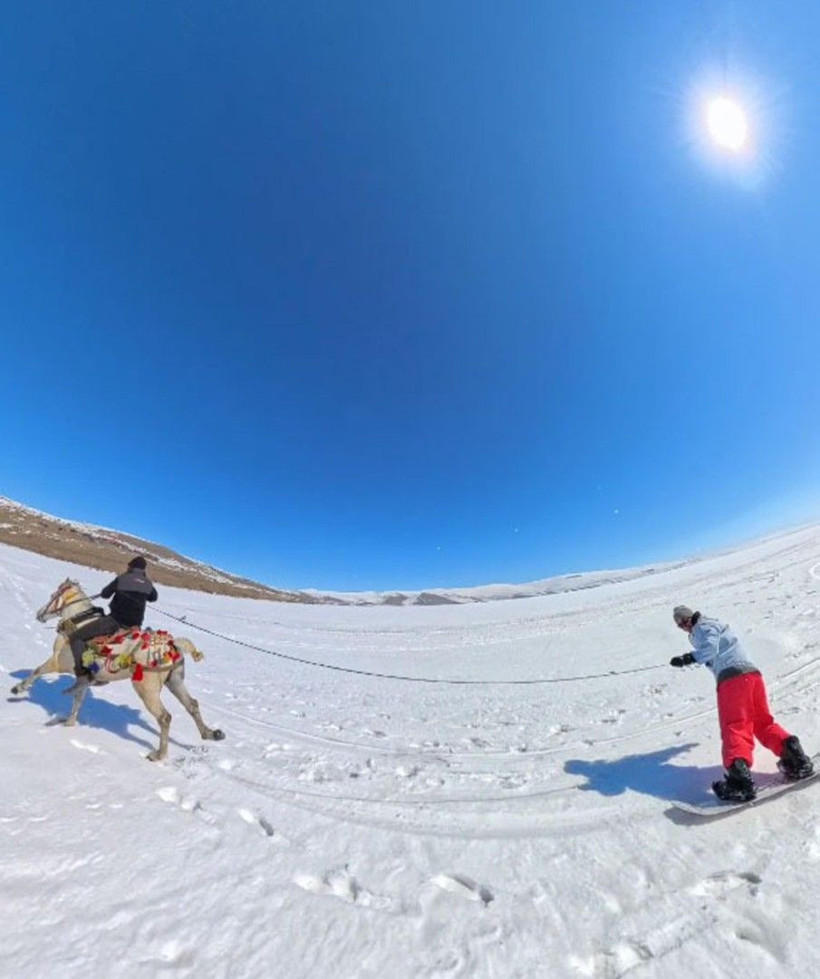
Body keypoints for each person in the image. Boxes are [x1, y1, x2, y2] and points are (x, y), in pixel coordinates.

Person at [670, 605, 814, 801]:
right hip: (752, 677)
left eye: (682, 623)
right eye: (679, 626)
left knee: (735, 726)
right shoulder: (711, 625)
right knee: (762, 723)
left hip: (732, 680)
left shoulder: (703, 627)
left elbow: (710, 648)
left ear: (689, 619)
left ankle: (739, 783)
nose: (683, 628)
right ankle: (795, 758)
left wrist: (688, 658)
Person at [65, 555, 158, 693]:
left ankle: (83, 675)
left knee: (76, 638)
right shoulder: (148, 584)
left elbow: (106, 594)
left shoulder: (122, 578)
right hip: (135, 627)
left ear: (130, 567)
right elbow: (154, 597)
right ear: (143, 570)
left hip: (115, 622)